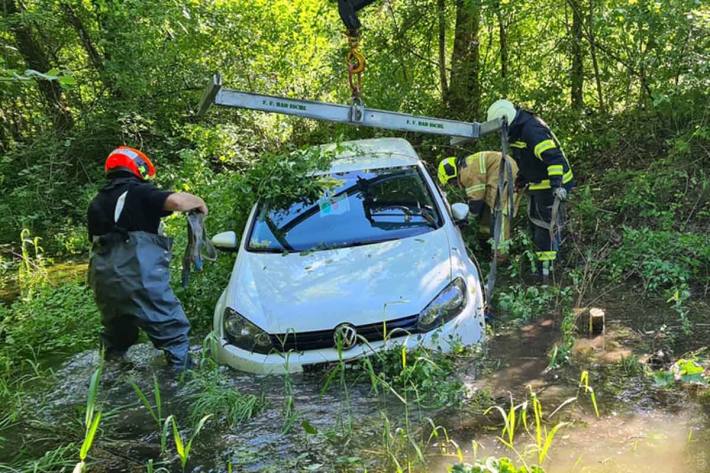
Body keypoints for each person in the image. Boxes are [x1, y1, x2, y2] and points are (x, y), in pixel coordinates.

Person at [87, 146, 208, 372]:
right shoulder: (137, 192)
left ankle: (112, 377)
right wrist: (199, 202)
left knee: (117, 335)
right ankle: (182, 380)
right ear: (138, 168)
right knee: (172, 330)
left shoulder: (96, 202)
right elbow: (178, 203)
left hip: (103, 282)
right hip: (138, 276)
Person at [486, 99, 575, 278]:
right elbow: (528, 160)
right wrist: (521, 179)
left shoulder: (531, 130)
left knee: (544, 226)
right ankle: (544, 266)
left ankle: (548, 274)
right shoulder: (519, 130)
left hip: (552, 184)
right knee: (536, 224)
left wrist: (557, 186)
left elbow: (554, 158)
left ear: (505, 121)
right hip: (539, 183)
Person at [438, 151, 520, 258]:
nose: (454, 185)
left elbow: (476, 201)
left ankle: (500, 255)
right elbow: (480, 203)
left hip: (505, 173)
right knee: (488, 209)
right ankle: (486, 244)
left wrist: (467, 219)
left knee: (501, 213)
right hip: (503, 169)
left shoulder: (466, 172)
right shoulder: (469, 164)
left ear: (452, 173)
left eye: (452, 182)